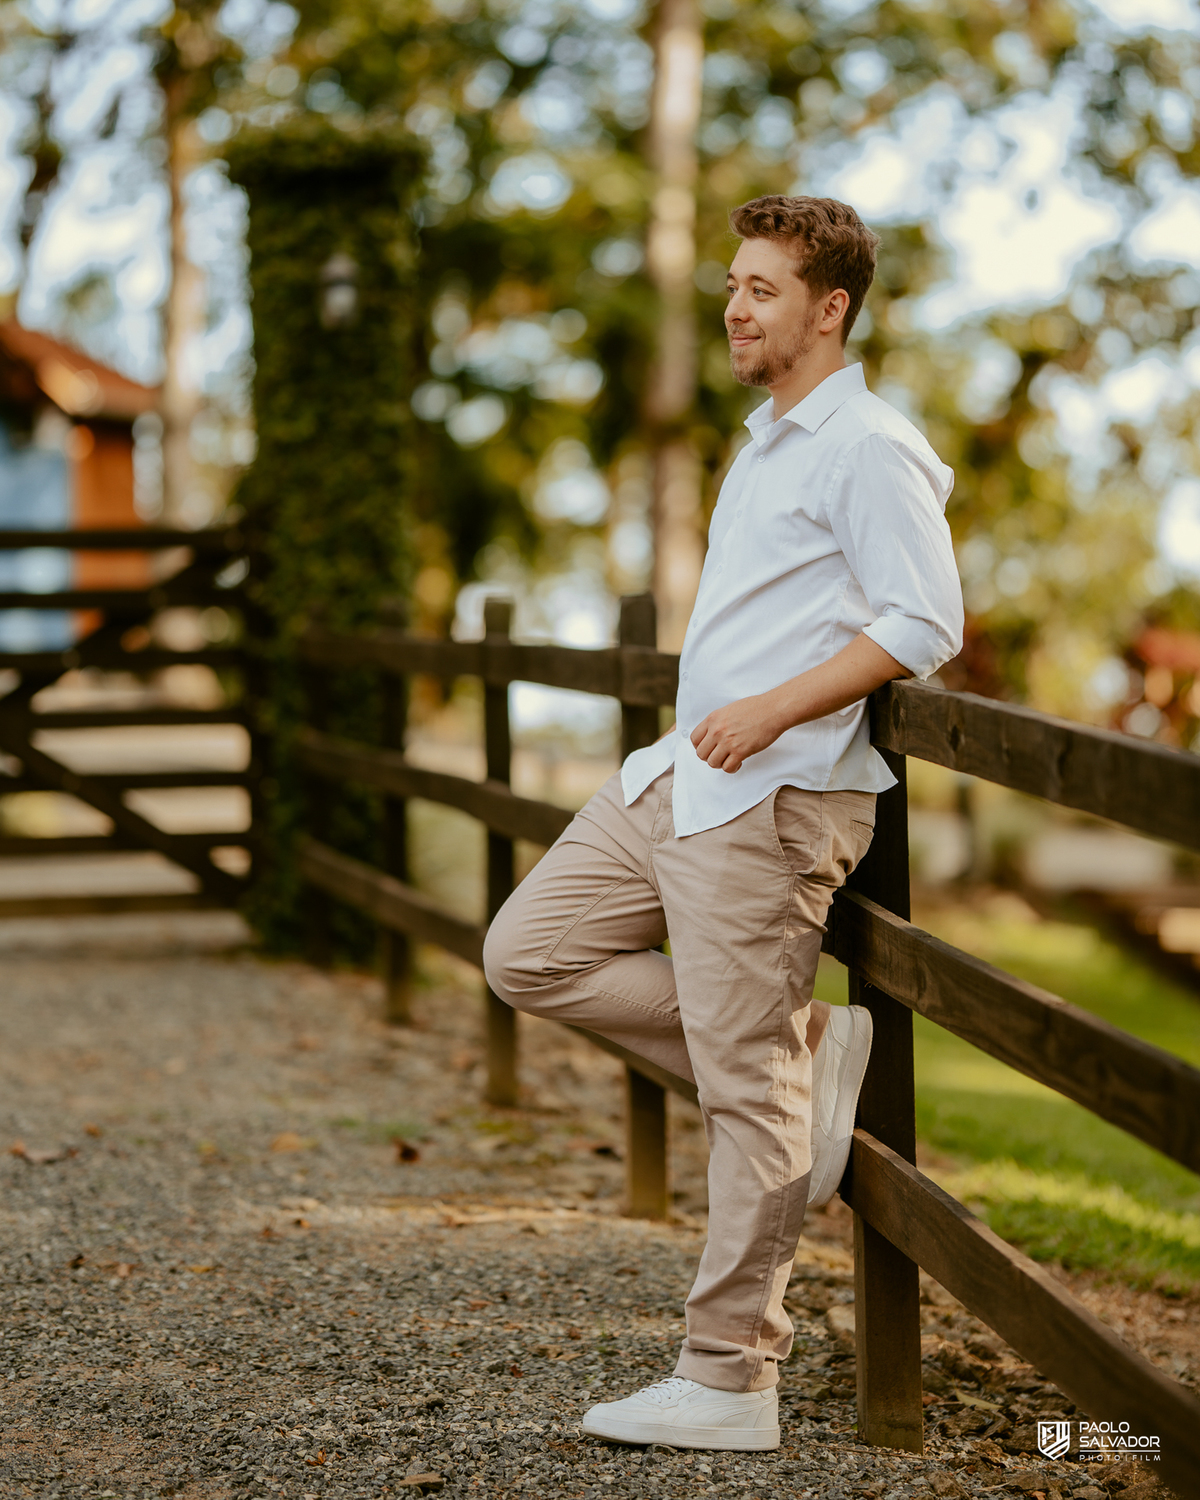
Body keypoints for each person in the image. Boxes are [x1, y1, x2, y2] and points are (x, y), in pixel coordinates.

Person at [483, 194, 964, 1451]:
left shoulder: (869, 445)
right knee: (526, 952)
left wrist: (772, 712)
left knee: (749, 1096)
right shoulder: (770, 441)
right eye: (735, 285)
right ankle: (806, 1043)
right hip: (682, 782)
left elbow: (925, 622)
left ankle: (729, 1379)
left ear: (829, 306)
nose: (737, 306)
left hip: (774, 795)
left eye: (762, 288)